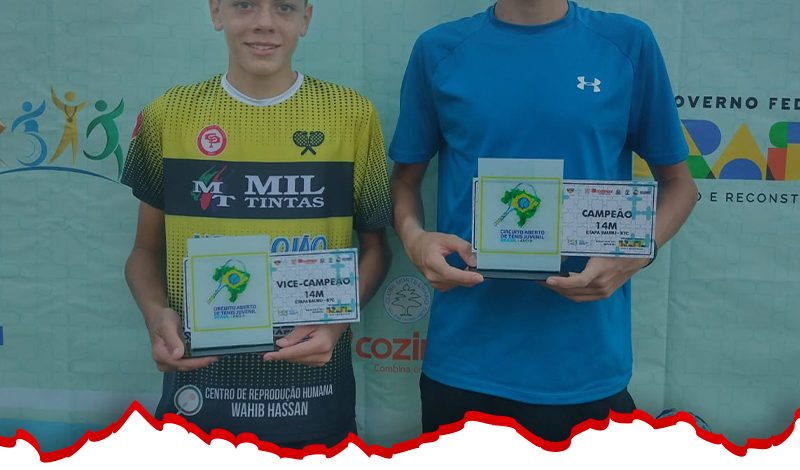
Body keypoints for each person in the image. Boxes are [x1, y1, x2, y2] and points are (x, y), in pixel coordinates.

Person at [389, 0, 697, 442]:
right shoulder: (439, 49)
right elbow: (405, 180)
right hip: (465, 359)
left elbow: (680, 186)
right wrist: (414, 238)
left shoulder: (628, 43)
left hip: (585, 360)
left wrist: (633, 256)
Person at [122, 0, 392, 448]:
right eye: (245, 4)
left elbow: (377, 249)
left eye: (283, 7)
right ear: (217, 12)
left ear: (305, 18)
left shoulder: (350, 114)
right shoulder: (168, 114)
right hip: (200, 398)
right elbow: (144, 253)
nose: (264, 22)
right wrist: (156, 315)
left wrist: (336, 325)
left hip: (314, 400)